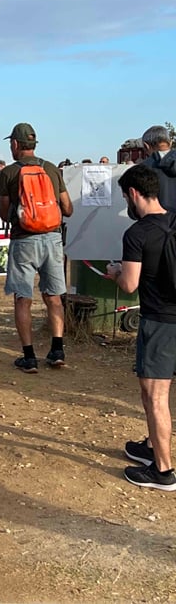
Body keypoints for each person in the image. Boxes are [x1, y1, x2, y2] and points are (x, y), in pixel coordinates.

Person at [107, 165, 176, 490]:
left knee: (155, 396)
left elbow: (131, 284)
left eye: (125, 198)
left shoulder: (136, 234)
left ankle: (162, 471)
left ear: (133, 193)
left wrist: (116, 274)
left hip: (160, 322)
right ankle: (152, 444)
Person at [0, 123, 73, 374]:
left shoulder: (8, 173)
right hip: (52, 238)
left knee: (23, 298)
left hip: (24, 240)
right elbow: (68, 208)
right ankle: (57, 350)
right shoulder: (50, 168)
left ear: (16, 145)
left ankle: (29, 356)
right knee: (53, 297)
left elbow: (5, 214)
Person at [139, 125, 176, 212]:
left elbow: (136, 210)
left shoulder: (142, 169)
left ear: (146, 146)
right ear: (170, 143)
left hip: (156, 223)